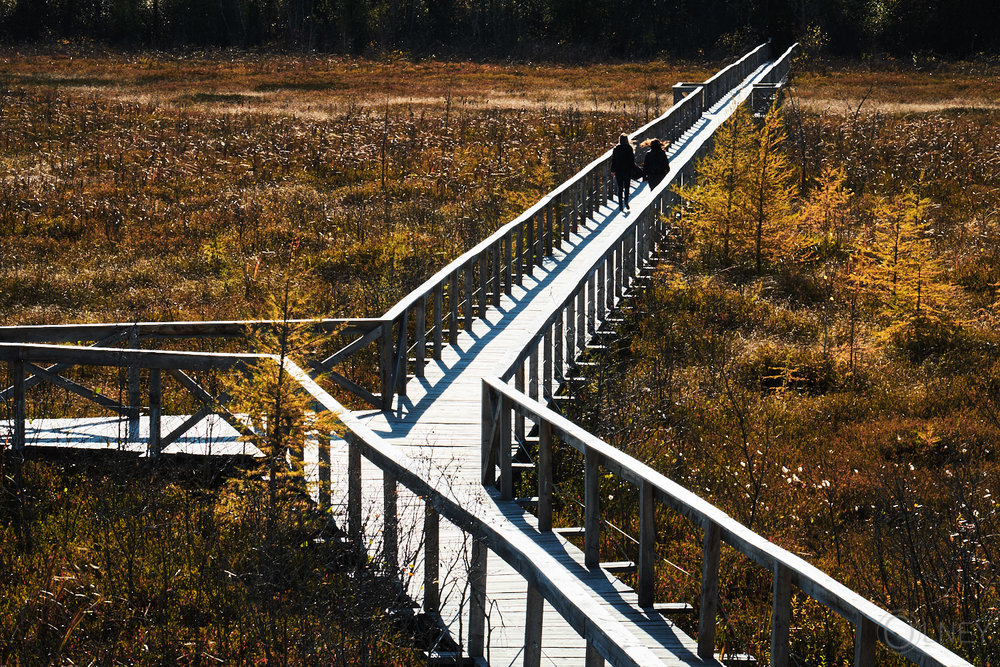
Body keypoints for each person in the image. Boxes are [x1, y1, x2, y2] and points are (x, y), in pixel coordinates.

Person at [610, 133, 636, 211]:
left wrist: (612, 170)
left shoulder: (616, 149)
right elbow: (632, 161)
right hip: (627, 170)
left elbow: (613, 161)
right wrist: (633, 169)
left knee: (620, 188)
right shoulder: (629, 148)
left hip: (618, 171)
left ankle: (620, 205)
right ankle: (626, 202)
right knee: (627, 187)